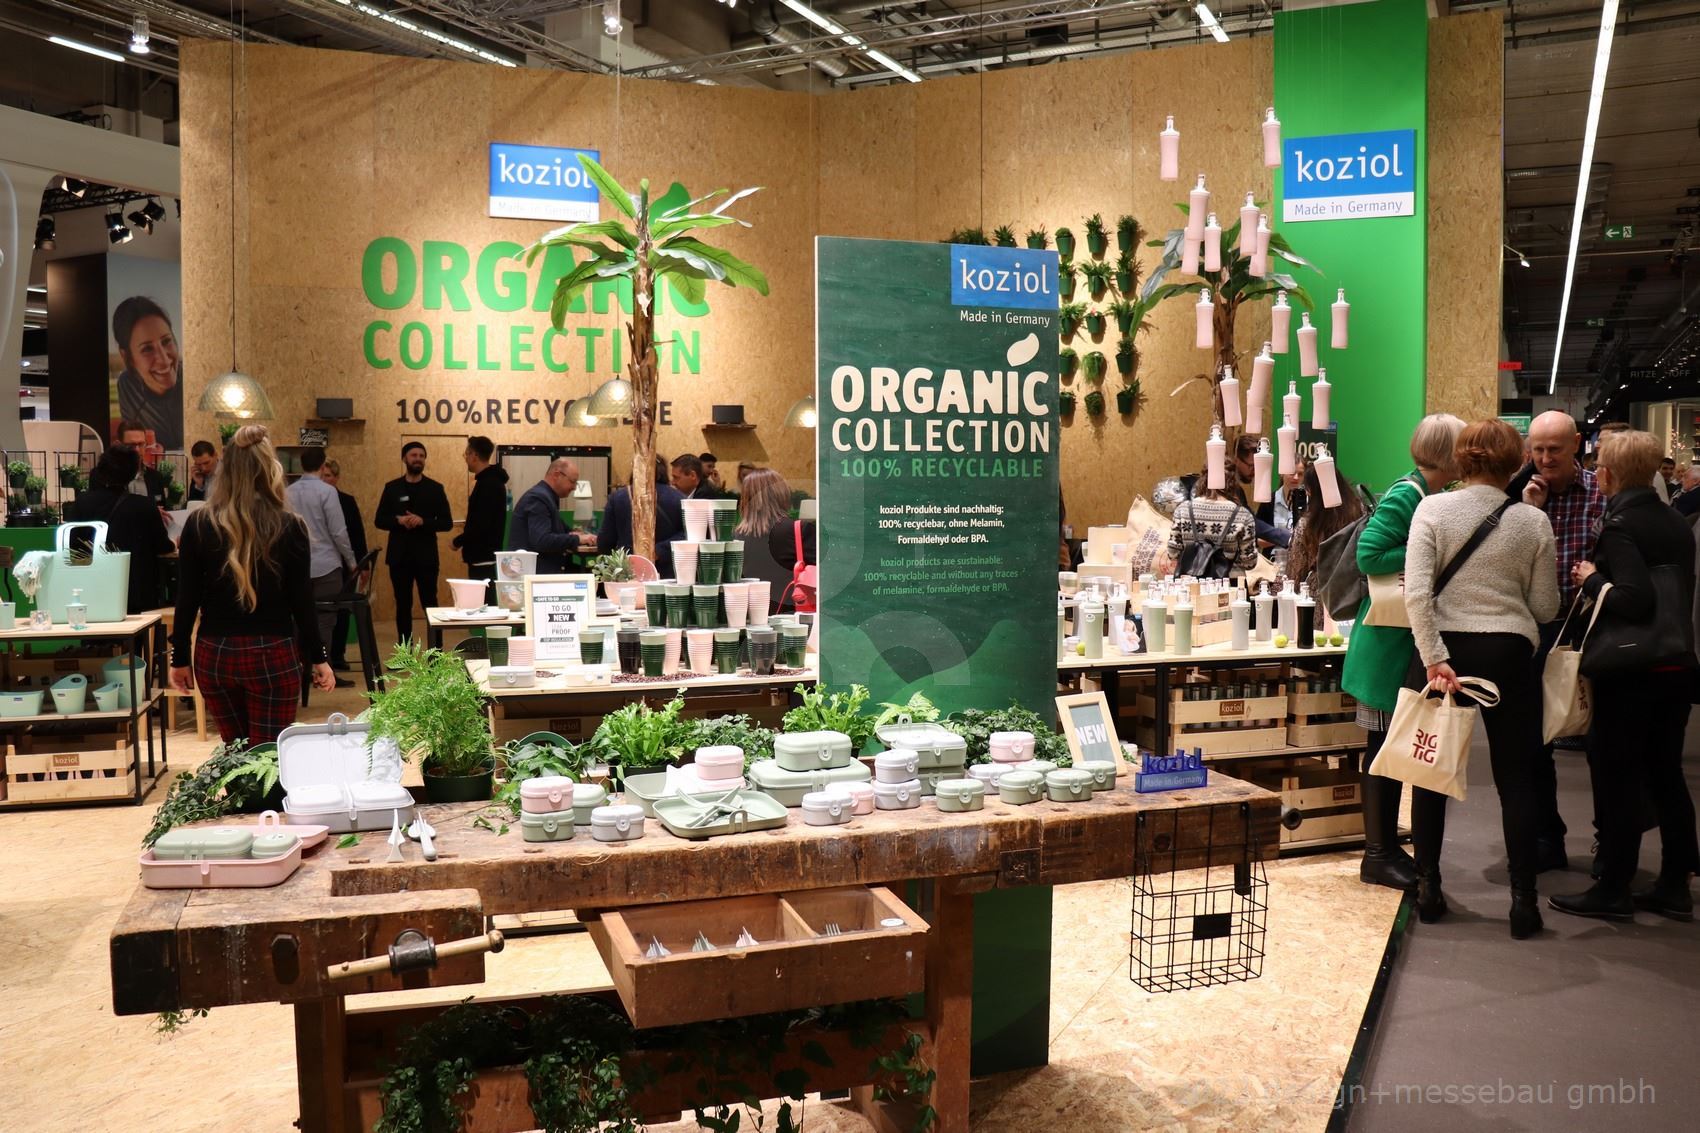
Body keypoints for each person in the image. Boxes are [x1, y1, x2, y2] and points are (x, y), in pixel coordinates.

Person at [1406, 418, 1559, 939]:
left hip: (1443, 653)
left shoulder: (1432, 509)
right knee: (1516, 777)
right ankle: (1523, 902)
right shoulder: (1533, 521)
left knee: (1430, 772)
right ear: (1516, 462)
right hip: (1507, 652)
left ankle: (1428, 888)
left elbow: (1416, 594)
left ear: (1461, 458)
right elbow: (1545, 606)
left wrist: (1433, 657)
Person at [1550, 430, 1699, 921]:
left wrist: (1590, 578)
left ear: (1608, 474)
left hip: (1631, 671)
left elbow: (1634, 599)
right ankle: (1675, 882)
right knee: (1665, 774)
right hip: (1675, 664)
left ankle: (1613, 887)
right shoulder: (1675, 521)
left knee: (1617, 777)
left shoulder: (1619, 525)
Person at [1343, 413, 1465, 894]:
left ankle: (1387, 849)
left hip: (1395, 642)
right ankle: (1377, 854)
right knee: (1381, 748)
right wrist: (1428, 550)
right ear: (1449, 453)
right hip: (1385, 644)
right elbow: (1369, 555)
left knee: (1390, 747)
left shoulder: (1425, 493)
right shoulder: (1408, 494)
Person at [168, 426, 334, 746]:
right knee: (268, 756)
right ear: (270, 469)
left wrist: (179, 658)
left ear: (226, 470)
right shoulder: (290, 525)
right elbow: (302, 601)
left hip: (214, 654)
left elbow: (186, 597)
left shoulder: (199, 523)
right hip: (273, 653)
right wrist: (319, 657)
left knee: (236, 755)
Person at [1507, 410, 1604, 868]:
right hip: (1538, 631)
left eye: (1554, 450)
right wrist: (1530, 512)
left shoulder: (1601, 494)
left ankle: (1610, 841)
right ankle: (1548, 837)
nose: (1545, 459)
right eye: (1538, 450)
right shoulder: (1517, 497)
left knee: (1602, 740)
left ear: (1576, 444)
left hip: (1592, 630)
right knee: (1534, 741)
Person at [67, 446, 174, 614]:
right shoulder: (145, 506)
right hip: (136, 592)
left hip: (93, 589)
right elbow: (163, 546)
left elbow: (73, 547)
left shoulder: (82, 503)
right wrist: (175, 543)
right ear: (133, 473)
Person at [285, 447, 357, 688]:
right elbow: (338, 532)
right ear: (323, 464)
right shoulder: (328, 492)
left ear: (301, 463)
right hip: (326, 565)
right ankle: (322, 671)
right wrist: (351, 561)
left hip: (296, 566)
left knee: (297, 619)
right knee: (325, 620)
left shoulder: (288, 492)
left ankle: (297, 671)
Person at [375, 442, 453, 643]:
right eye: (413, 455)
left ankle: (436, 653)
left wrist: (423, 521)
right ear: (404, 458)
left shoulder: (435, 489)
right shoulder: (392, 488)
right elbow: (379, 520)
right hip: (399, 558)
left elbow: (447, 523)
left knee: (430, 604)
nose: (418, 459)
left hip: (426, 558)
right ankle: (405, 652)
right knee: (402, 605)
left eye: (421, 455)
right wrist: (398, 520)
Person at [736, 468, 816, 614]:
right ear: (781, 493)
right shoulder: (799, 530)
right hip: (794, 617)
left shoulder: (736, 537)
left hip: (750, 618)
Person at [1165, 458, 1257, 578]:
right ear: (1233, 482)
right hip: (1229, 584)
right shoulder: (1243, 515)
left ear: (1203, 478)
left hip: (1190, 583)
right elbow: (1249, 562)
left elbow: (1173, 553)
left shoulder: (1183, 510)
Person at [112, 296, 183, 451]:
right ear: (127, 357)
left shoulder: (191, 379)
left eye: (166, 341)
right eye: (147, 349)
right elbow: (131, 443)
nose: (164, 360)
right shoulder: (128, 385)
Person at [1286, 458, 1366, 590]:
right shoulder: (1361, 513)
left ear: (1311, 491)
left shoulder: (1307, 524)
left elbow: (1294, 574)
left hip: (1321, 593)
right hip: (1356, 589)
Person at [319, 459, 368, 672]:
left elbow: (357, 533)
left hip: (345, 564)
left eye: (328, 476)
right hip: (321, 564)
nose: (324, 480)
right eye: (322, 476)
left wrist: (362, 564)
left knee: (342, 611)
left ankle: (338, 655)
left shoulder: (347, 501)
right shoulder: (314, 501)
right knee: (322, 614)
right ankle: (321, 657)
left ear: (336, 478)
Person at [599, 456, 685, 576]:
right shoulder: (678, 498)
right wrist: (659, 550)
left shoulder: (618, 498)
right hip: (667, 571)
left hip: (628, 570)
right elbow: (687, 534)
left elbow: (605, 541)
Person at [509, 457, 597, 572]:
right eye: (572, 481)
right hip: (538, 575)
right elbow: (542, 540)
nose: (574, 487)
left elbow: (561, 531)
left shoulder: (545, 497)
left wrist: (573, 535)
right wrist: (577, 539)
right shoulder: (538, 499)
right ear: (556, 475)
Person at [452, 436, 509, 582]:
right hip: (482, 556)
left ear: (474, 455)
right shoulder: (488, 481)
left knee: (483, 596)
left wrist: (458, 541)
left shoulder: (489, 484)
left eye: (466, 454)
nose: (466, 458)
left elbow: (481, 523)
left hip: (483, 557)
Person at [115, 421, 167, 504]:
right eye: (131, 445)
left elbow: (162, 507)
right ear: (118, 445)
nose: (137, 450)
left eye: (141, 444)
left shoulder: (156, 477)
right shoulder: (105, 478)